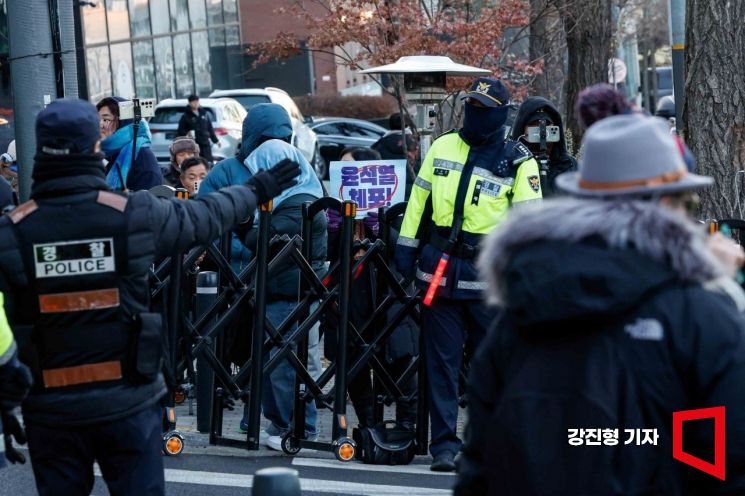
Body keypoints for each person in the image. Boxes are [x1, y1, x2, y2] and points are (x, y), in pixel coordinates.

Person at [0, 98, 299, 495]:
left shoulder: (13, 234)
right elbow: (205, 216)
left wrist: (6, 397)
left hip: (52, 408)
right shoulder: (133, 213)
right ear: (95, 147)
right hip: (128, 401)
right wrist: (257, 188)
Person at [456, 115, 745, 495]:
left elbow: (479, 465)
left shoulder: (523, 312)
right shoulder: (700, 317)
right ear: (666, 203)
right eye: (686, 202)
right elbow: (725, 462)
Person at [394, 77, 542, 472]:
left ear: (501, 113)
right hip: (439, 274)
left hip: (489, 280)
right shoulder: (443, 146)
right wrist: (405, 251)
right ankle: (444, 446)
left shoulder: (518, 159)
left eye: (484, 108)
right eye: (471, 106)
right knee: (440, 365)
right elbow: (417, 204)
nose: (475, 114)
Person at [237, 138, 326, 449]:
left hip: (292, 294)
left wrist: (246, 227)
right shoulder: (291, 199)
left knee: (287, 366)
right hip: (282, 292)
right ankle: (283, 426)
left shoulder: (299, 202)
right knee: (278, 365)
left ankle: (297, 428)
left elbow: (265, 238)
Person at [323, 147, 418, 430]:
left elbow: (406, 247)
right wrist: (333, 226)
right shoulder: (333, 209)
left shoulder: (398, 201)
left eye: (350, 168)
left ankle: (407, 429)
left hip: (391, 294)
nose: (345, 176)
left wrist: (382, 225)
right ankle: (368, 427)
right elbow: (321, 252)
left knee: (401, 363)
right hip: (351, 296)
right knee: (353, 364)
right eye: (341, 169)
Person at [510, 96, 577, 196]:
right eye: (534, 125)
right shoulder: (509, 165)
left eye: (548, 125)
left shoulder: (569, 166)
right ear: (522, 129)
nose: (542, 132)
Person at [97, 96, 163, 191]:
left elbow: (145, 203)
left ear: (123, 123)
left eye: (106, 120)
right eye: (97, 120)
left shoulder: (142, 160)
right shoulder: (112, 155)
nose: (100, 125)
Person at [177, 94, 219, 162]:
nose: (196, 104)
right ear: (190, 103)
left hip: (205, 143)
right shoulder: (186, 116)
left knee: (208, 162)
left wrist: (216, 140)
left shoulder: (203, 113)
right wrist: (187, 134)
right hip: (193, 144)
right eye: (194, 102)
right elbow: (180, 131)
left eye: (197, 102)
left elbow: (209, 128)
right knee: (196, 162)